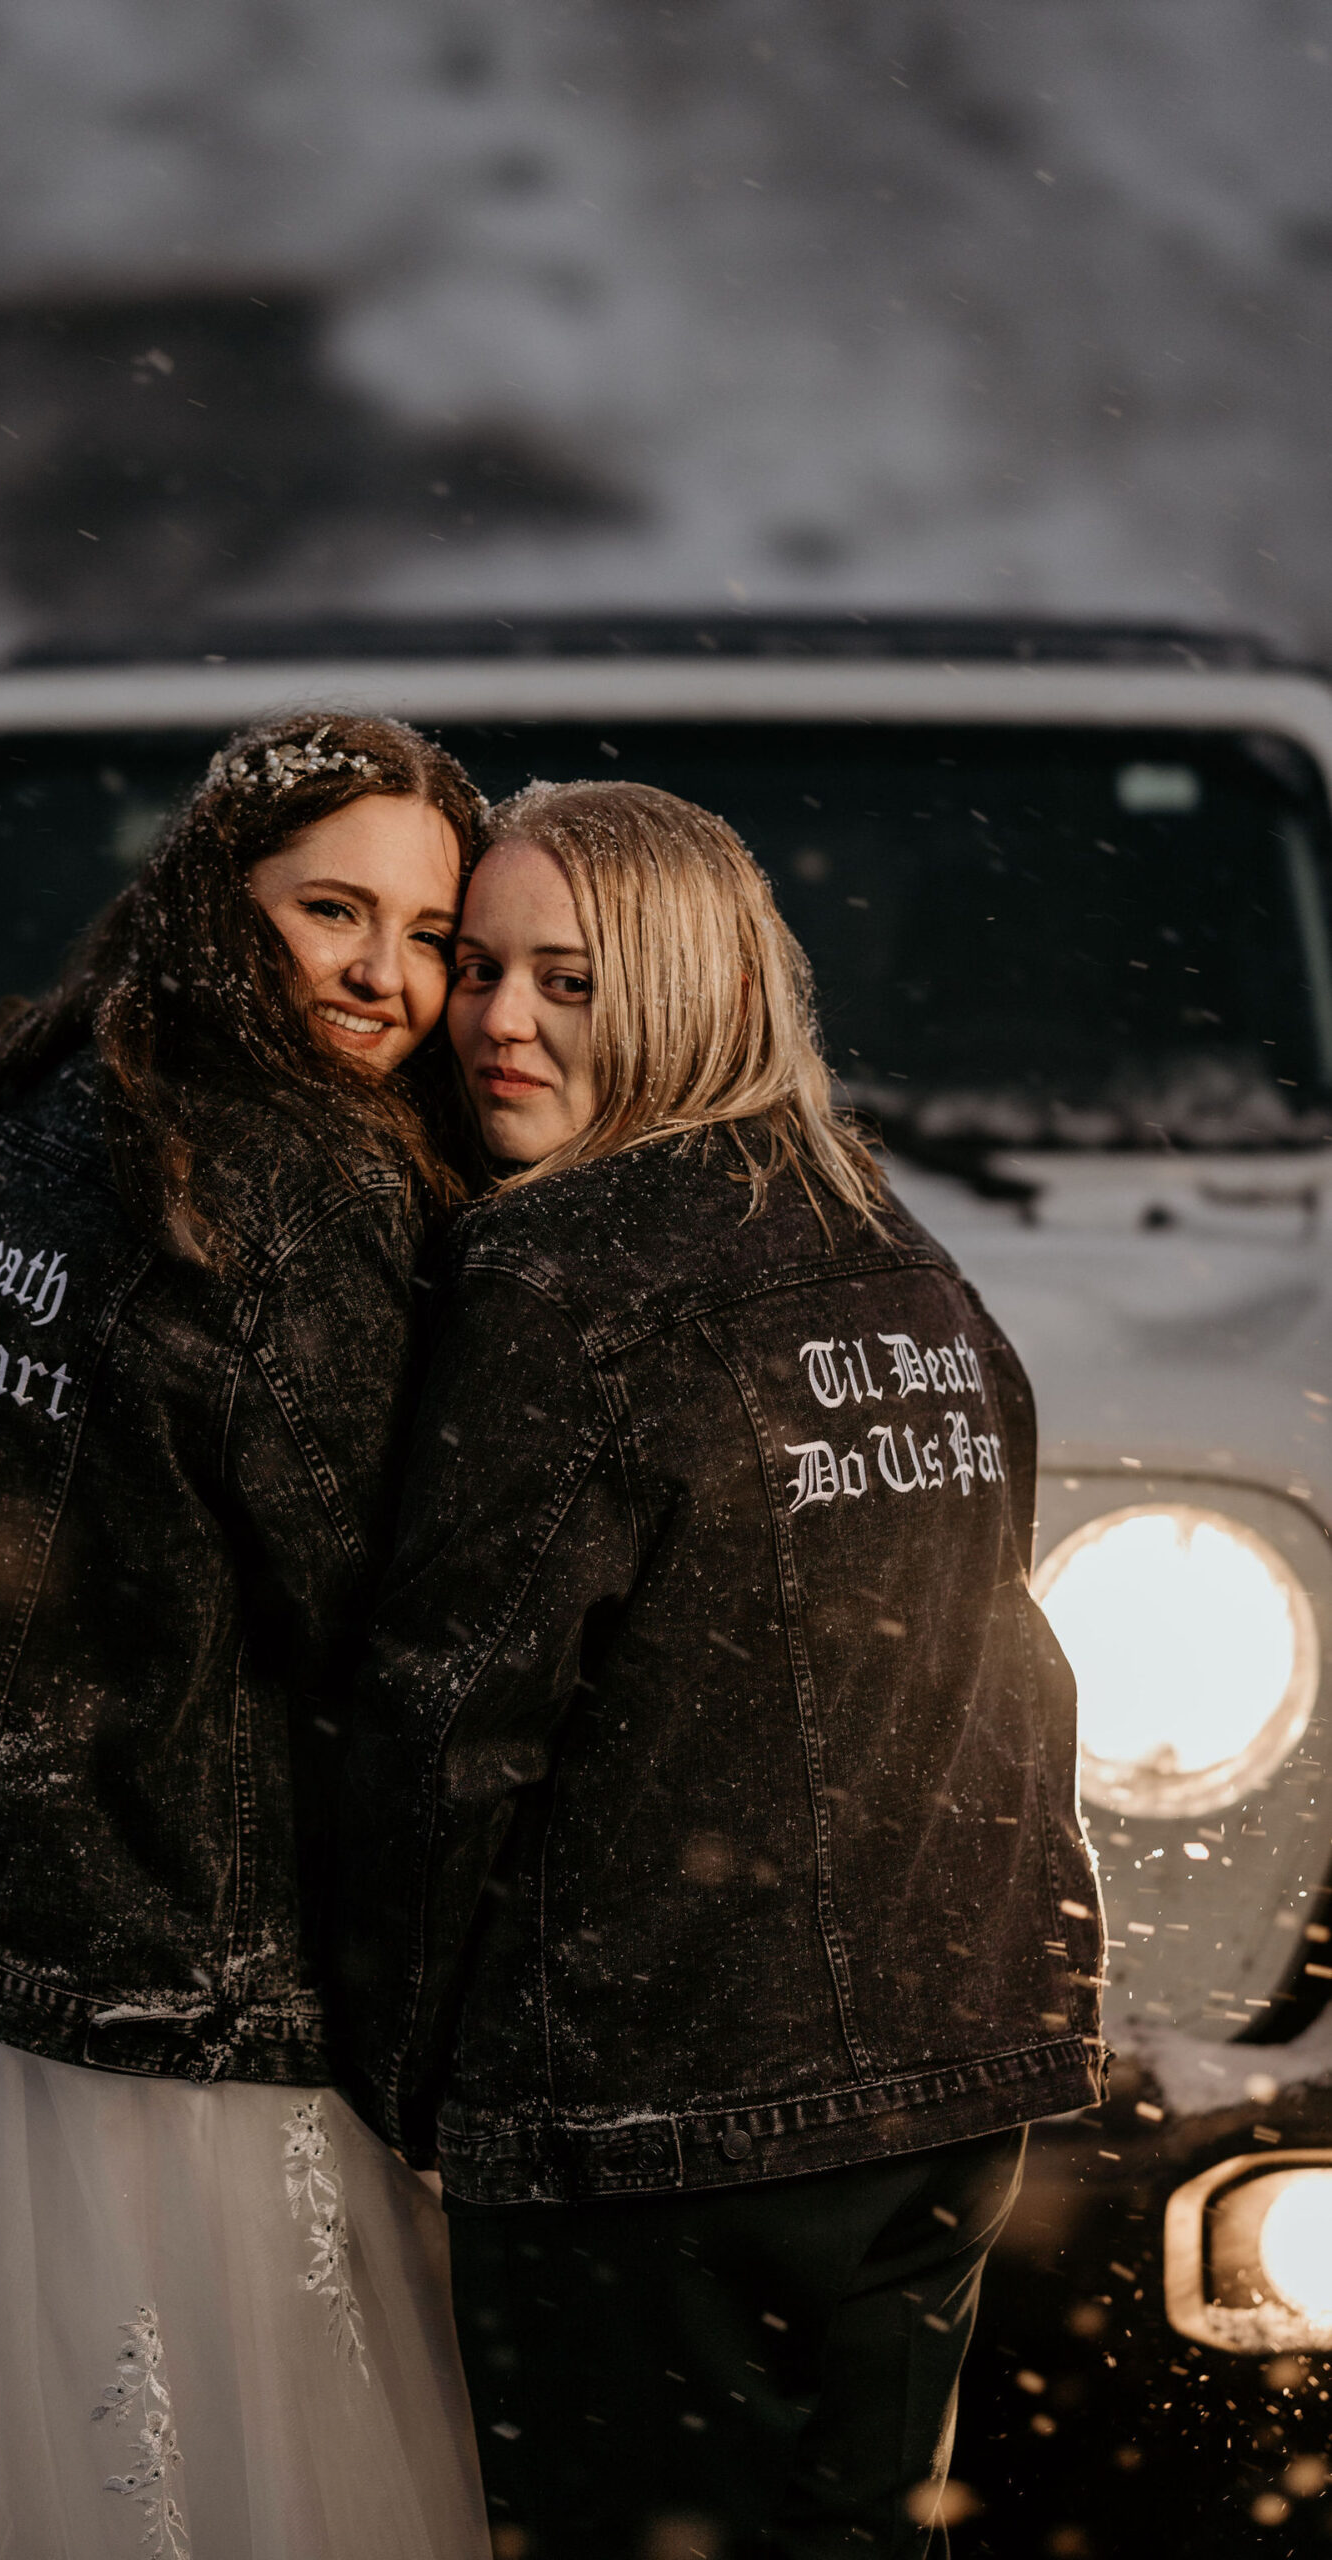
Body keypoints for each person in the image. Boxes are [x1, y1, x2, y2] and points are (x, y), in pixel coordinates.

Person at [337, 780, 1106, 2560]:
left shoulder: (559, 1279)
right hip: (943, 2077)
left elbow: (450, 1725)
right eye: (482, 968)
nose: (501, 1021)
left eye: (573, 980)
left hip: (661, 2108)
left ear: (689, 992)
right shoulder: (893, 1253)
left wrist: (381, 2072)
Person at [0, 713, 493, 2560]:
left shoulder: (60, 1091)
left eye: (430, 936)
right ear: (214, 897)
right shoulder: (290, 1183)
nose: (384, 977)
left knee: (26, 2484)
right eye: (330, 910)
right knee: (247, 2490)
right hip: (159, 1979)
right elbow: (389, 1636)